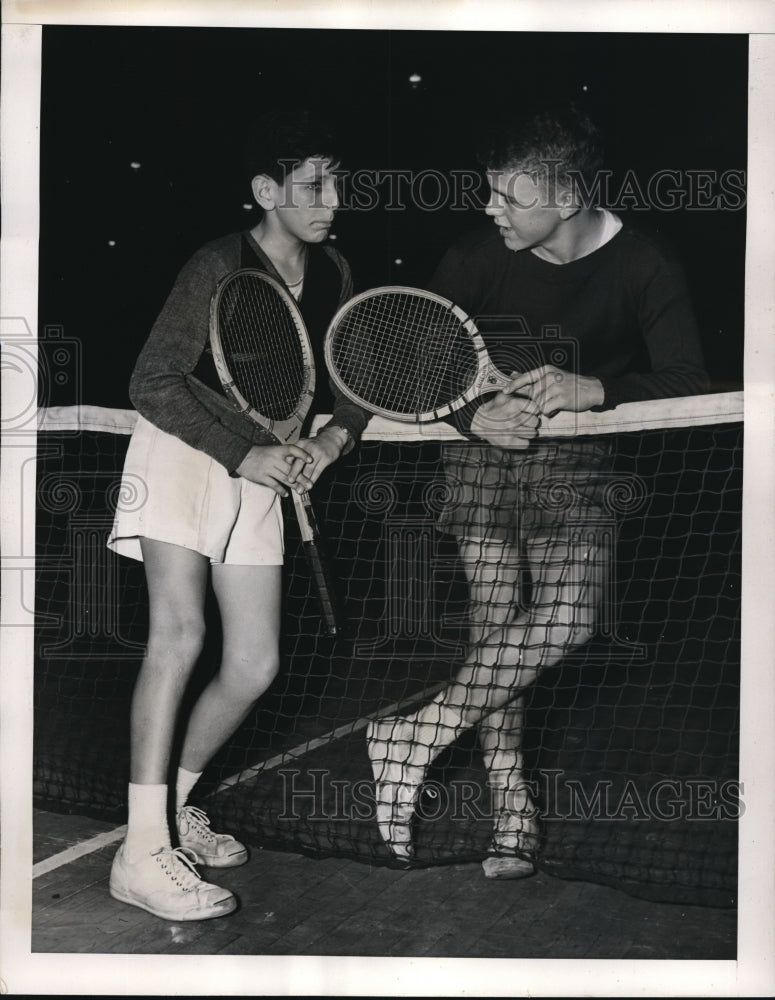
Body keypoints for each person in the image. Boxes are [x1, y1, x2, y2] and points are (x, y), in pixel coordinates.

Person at [366, 103, 709, 878]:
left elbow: (688, 379)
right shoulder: (475, 254)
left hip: (575, 466)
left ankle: (414, 735)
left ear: (570, 196)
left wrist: (598, 388)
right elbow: (407, 362)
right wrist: (470, 414)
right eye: (489, 192)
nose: (490, 208)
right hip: (483, 460)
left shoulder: (644, 263)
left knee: (571, 619)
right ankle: (509, 807)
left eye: (508, 196)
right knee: (496, 630)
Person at [107, 111, 368, 921]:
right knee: (179, 635)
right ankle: (141, 854)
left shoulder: (334, 273)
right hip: (183, 453)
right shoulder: (219, 262)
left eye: (338, 183)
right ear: (266, 191)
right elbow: (152, 380)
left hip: (267, 467)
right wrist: (243, 452)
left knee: (254, 663)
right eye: (313, 184)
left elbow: (352, 382)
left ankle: (171, 809)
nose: (332, 198)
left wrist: (328, 440)